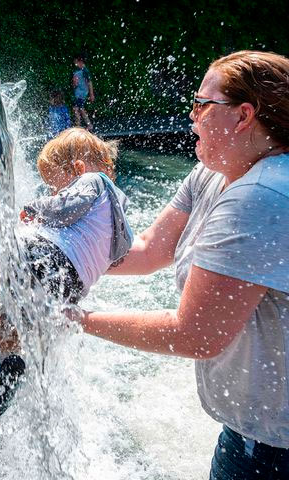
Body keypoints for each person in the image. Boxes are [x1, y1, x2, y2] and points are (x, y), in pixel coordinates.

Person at [67, 51, 289, 479]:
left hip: (275, 454)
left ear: (243, 116)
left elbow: (195, 333)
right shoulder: (214, 172)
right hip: (253, 437)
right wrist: (55, 256)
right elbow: (148, 249)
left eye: (202, 104)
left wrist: (75, 319)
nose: (191, 115)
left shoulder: (261, 196)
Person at [0, 128, 133, 418]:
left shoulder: (92, 180)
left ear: (78, 169)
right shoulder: (119, 218)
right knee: (6, 322)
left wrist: (35, 209)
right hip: (68, 288)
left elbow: (68, 206)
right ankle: (11, 364)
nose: (53, 193)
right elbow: (119, 254)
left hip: (45, 260)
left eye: (54, 187)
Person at [71, 55, 95, 131]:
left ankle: (78, 125)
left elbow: (89, 82)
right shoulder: (76, 70)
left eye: (76, 62)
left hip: (82, 94)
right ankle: (87, 124)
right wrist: (74, 83)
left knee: (76, 108)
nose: (75, 64)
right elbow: (75, 84)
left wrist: (91, 94)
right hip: (77, 93)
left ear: (80, 62)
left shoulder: (85, 70)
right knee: (80, 109)